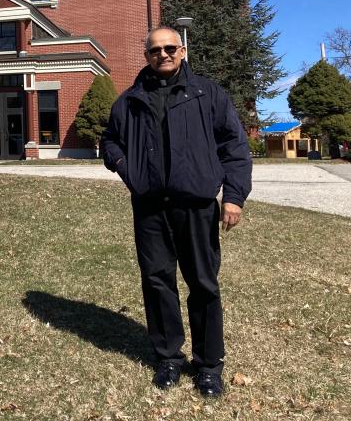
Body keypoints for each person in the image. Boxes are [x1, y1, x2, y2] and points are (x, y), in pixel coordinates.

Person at [100, 27, 251, 398]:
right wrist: (125, 166)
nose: (163, 55)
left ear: (182, 51)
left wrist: (233, 196)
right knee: (156, 281)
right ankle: (168, 357)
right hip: (150, 206)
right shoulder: (130, 99)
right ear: (147, 55)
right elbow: (109, 139)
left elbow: (234, 146)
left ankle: (208, 364)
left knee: (202, 283)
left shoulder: (208, 94)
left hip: (196, 206)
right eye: (155, 50)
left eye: (170, 48)